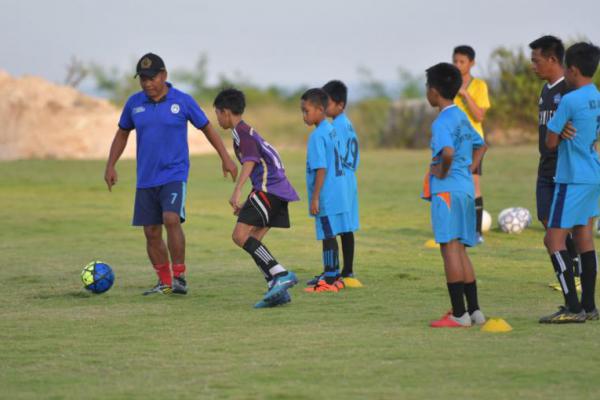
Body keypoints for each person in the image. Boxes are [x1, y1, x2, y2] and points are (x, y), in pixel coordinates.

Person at [104, 53, 238, 295]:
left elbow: (207, 128)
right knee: (151, 231)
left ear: (164, 75)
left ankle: (180, 277)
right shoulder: (134, 104)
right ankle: (164, 282)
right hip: (146, 177)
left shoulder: (183, 101)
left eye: (151, 78)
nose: (147, 83)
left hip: (174, 174)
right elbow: (122, 133)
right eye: (142, 79)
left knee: (171, 219)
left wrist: (225, 157)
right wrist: (110, 164)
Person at [213, 88, 299, 308]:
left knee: (239, 235)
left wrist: (237, 191)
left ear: (226, 112)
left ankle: (281, 274)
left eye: (217, 113)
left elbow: (250, 162)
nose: (217, 118)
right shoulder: (244, 132)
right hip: (276, 192)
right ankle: (276, 288)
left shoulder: (242, 132)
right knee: (254, 240)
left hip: (268, 190)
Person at [422, 63, 487, 328]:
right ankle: (474, 311)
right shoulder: (461, 116)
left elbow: (447, 152)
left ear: (434, 92)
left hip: (447, 191)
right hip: (465, 189)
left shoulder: (441, 122)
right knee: (460, 249)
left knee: (449, 250)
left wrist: (443, 170)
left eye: (427, 87)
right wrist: (468, 168)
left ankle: (458, 315)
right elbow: (481, 145)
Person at [540, 42, 600, 324]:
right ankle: (589, 306)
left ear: (572, 70)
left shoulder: (570, 100)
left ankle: (572, 307)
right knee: (584, 237)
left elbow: (550, 143)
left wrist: (559, 131)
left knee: (553, 239)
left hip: (571, 177)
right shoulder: (596, 97)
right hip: (593, 174)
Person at [529, 35, 580, 297]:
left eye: (536, 61)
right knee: (547, 220)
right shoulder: (546, 90)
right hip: (544, 166)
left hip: (563, 168)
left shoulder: (569, 90)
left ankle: (575, 277)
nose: (533, 66)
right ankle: (572, 272)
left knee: (558, 231)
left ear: (552, 59)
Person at [311, 80, 362, 288]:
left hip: (338, 180)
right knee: (346, 226)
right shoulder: (347, 123)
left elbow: (334, 155)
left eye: (328, 103)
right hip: (349, 178)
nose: (324, 107)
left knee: (331, 227)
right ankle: (346, 270)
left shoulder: (335, 127)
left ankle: (332, 273)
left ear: (340, 105)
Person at [301, 88, 350, 293]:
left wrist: (315, 197)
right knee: (330, 234)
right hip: (338, 191)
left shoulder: (317, 135)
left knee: (328, 235)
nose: (304, 115)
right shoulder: (331, 129)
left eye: (306, 111)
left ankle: (329, 281)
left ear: (320, 109)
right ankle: (333, 274)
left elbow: (321, 167)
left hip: (326, 194)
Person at [452, 45, 491, 243]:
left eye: (462, 61)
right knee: (454, 186)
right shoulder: (449, 85)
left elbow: (479, 116)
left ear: (472, 63)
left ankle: (477, 233)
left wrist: (465, 95)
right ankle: (457, 229)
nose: (458, 65)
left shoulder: (479, 86)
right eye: (455, 61)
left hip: (474, 143)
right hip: (454, 143)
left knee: (473, 184)